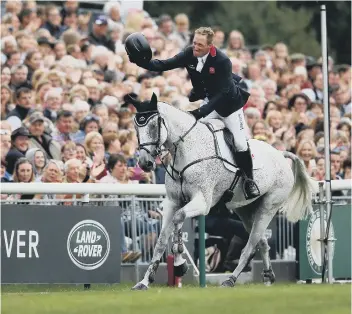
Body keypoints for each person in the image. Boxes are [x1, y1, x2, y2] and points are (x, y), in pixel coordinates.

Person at [126, 27, 260, 199]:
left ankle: (249, 180)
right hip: (210, 100)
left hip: (229, 106)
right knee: (194, 135)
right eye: (194, 42)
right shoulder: (190, 53)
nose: (195, 47)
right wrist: (141, 62)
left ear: (210, 46)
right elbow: (164, 64)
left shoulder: (222, 61)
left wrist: (200, 112)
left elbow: (223, 93)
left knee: (240, 143)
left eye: (200, 45)